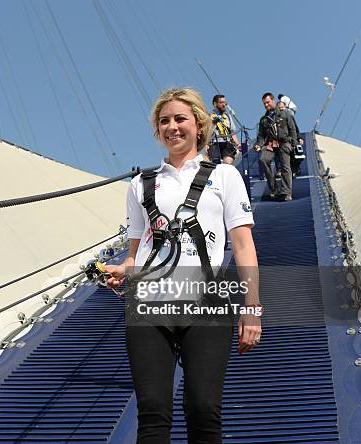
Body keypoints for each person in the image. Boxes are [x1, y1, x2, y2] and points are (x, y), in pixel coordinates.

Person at [104, 88, 261, 443]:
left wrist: (252, 308)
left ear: (199, 124)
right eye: (164, 121)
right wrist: (122, 269)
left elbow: (243, 244)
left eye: (180, 119)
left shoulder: (224, 177)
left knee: (203, 409)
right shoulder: (140, 184)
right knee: (153, 413)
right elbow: (135, 255)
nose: (171, 127)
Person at [254, 92, 298, 201]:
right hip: (271, 144)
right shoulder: (264, 120)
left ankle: (286, 192)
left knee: (285, 166)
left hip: (284, 142)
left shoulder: (286, 113)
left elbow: (293, 129)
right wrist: (259, 145)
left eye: (268, 102)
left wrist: (294, 144)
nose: (266, 105)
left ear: (273, 101)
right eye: (264, 103)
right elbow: (261, 136)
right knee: (263, 159)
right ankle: (273, 188)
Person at [206, 94, 241, 165]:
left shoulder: (227, 117)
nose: (224, 104)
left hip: (226, 144)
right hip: (214, 143)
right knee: (215, 164)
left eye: (224, 102)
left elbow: (232, 133)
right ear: (215, 104)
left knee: (228, 162)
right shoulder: (208, 116)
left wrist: (238, 144)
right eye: (221, 102)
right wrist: (206, 146)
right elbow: (205, 133)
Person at [277, 101, 304, 176]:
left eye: (282, 108)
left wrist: (299, 138)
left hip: (291, 139)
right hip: (282, 141)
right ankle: (282, 170)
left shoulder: (289, 116)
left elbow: (295, 128)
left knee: (295, 154)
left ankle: (296, 168)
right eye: (279, 108)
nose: (281, 109)